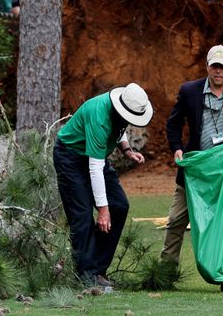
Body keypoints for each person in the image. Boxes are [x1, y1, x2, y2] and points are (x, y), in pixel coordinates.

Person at [161, 45, 223, 293]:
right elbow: (173, 123)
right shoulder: (189, 91)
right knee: (176, 220)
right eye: (214, 66)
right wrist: (176, 148)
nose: (218, 71)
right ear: (207, 66)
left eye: (222, 67)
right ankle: (165, 273)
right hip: (195, 170)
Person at [54, 83, 153, 288]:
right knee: (82, 215)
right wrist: (102, 210)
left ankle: (98, 269)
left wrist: (126, 150)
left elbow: (120, 128)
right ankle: (86, 276)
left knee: (120, 205)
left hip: (94, 158)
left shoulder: (122, 110)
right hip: (71, 158)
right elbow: (95, 169)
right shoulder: (99, 118)